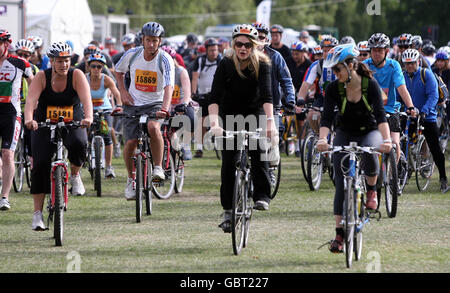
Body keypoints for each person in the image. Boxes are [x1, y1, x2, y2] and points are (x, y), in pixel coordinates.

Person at [316, 44, 392, 253]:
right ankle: (339, 234)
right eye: (332, 70)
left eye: (338, 69)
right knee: (341, 183)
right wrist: (323, 140)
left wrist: (387, 140)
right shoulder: (333, 88)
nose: (335, 74)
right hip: (344, 132)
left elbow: (380, 116)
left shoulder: (371, 85)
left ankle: (371, 191)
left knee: (370, 150)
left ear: (351, 65)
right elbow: (327, 118)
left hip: (369, 130)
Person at [207, 24, 276, 232]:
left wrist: (270, 121)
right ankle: (228, 209)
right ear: (233, 44)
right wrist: (214, 123)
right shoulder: (226, 63)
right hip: (230, 113)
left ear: (254, 46)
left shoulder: (263, 64)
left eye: (247, 44)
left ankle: (262, 195)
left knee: (258, 151)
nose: (243, 48)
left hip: (255, 111)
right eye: (239, 44)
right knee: (229, 161)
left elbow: (267, 95)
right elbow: (214, 96)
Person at [24, 42, 93, 230]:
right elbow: (30, 102)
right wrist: (29, 120)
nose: (64, 65)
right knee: (40, 163)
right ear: (52, 61)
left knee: (79, 142)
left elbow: (87, 101)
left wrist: (88, 118)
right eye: (60, 61)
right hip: (44, 120)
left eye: (67, 60)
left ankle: (75, 175)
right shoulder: (41, 77)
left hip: (73, 116)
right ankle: (37, 214)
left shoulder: (76, 75)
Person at [114, 22, 174, 200]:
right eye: (148, 40)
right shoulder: (132, 54)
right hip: (133, 104)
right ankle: (131, 179)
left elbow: (169, 86)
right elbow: (118, 72)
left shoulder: (165, 59)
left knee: (154, 128)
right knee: (131, 143)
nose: (151, 44)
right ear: (142, 40)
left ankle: (157, 167)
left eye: (155, 41)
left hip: (155, 103)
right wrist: (122, 92)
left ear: (160, 41)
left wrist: (164, 108)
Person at [364, 33, 416, 162]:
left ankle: (393, 175)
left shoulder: (394, 66)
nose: (376, 53)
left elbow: (401, 88)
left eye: (380, 50)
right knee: (366, 143)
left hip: (391, 109)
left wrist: (410, 106)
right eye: (374, 50)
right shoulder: (365, 65)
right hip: (370, 109)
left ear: (386, 51)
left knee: (394, 142)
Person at [402, 49, 449, 192]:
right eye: (407, 63)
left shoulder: (426, 74)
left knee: (435, 148)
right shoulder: (402, 76)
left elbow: (433, 96)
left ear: (418, 62)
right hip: (409, 114)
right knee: (401, 142)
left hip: (427, 116)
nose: (409, 66)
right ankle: (402, 173)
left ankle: (443, 179)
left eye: (412, 63)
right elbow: (398, 95)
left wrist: (424, 111)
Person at [0, 30, 34, 211]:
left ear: (6, 44)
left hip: (11, 114)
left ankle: (4, 197)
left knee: (7, 154)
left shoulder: (19, 63)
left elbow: (35, 84)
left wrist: (35, 107)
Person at [86, 53, 123, 178]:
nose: (96, 69)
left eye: (99, 67)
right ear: (89, 67)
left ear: (103, 68)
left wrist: (119, 106)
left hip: (104, 110)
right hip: (88, 110)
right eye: (93, 66)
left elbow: (117, 94)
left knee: (106, 135)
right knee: (83, 136)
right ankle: (85, 157)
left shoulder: (106, 79)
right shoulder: (84, 79)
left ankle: (109, 167)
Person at [297, 36, 338, 134]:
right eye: (324, 51)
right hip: (322, 97)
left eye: (329, 51)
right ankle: (317, 137)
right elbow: (306, 85)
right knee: (312, 115)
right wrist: (300, 99)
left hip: (339, 98)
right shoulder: (316, 65)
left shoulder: (341, 64)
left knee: (338, 120)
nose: (326, 53)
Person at [161, 45, 194, 160]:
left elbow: (187, 93)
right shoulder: (158, 72)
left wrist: (183, 104)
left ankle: (185, 143)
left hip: (180, 104)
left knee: (191, 120)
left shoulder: (181, 71)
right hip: (164, 105)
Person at [191, 38, 221, 158]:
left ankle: (223, 144)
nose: (214, 52)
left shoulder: (221, 60)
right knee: (201, 122)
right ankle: (199, 148)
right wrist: (193, 93)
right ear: (207, 51)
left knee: (219, 119)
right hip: (202, 95)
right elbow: (195, 77)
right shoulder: (200, 60)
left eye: (216, 50)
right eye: (211, 50)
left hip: (216, 95)